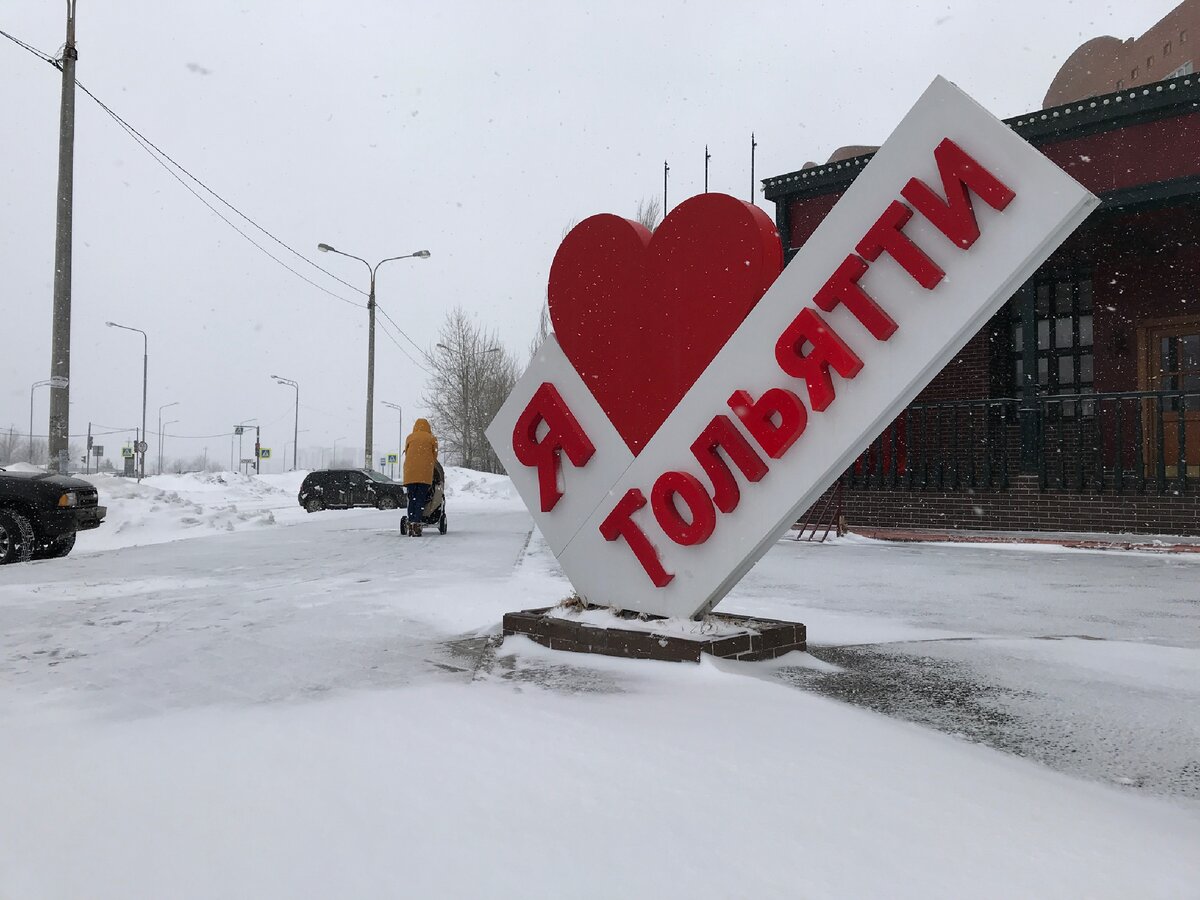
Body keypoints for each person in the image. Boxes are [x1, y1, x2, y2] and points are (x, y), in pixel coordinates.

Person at [402, 418, 438, 536]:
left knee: (411, 498)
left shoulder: (410, 437)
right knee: (420, 499)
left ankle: (411, 521)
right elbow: (434, 455)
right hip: (424, 473)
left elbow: (407, 453)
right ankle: (417, 523)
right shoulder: (431, 438)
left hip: (410, 473)